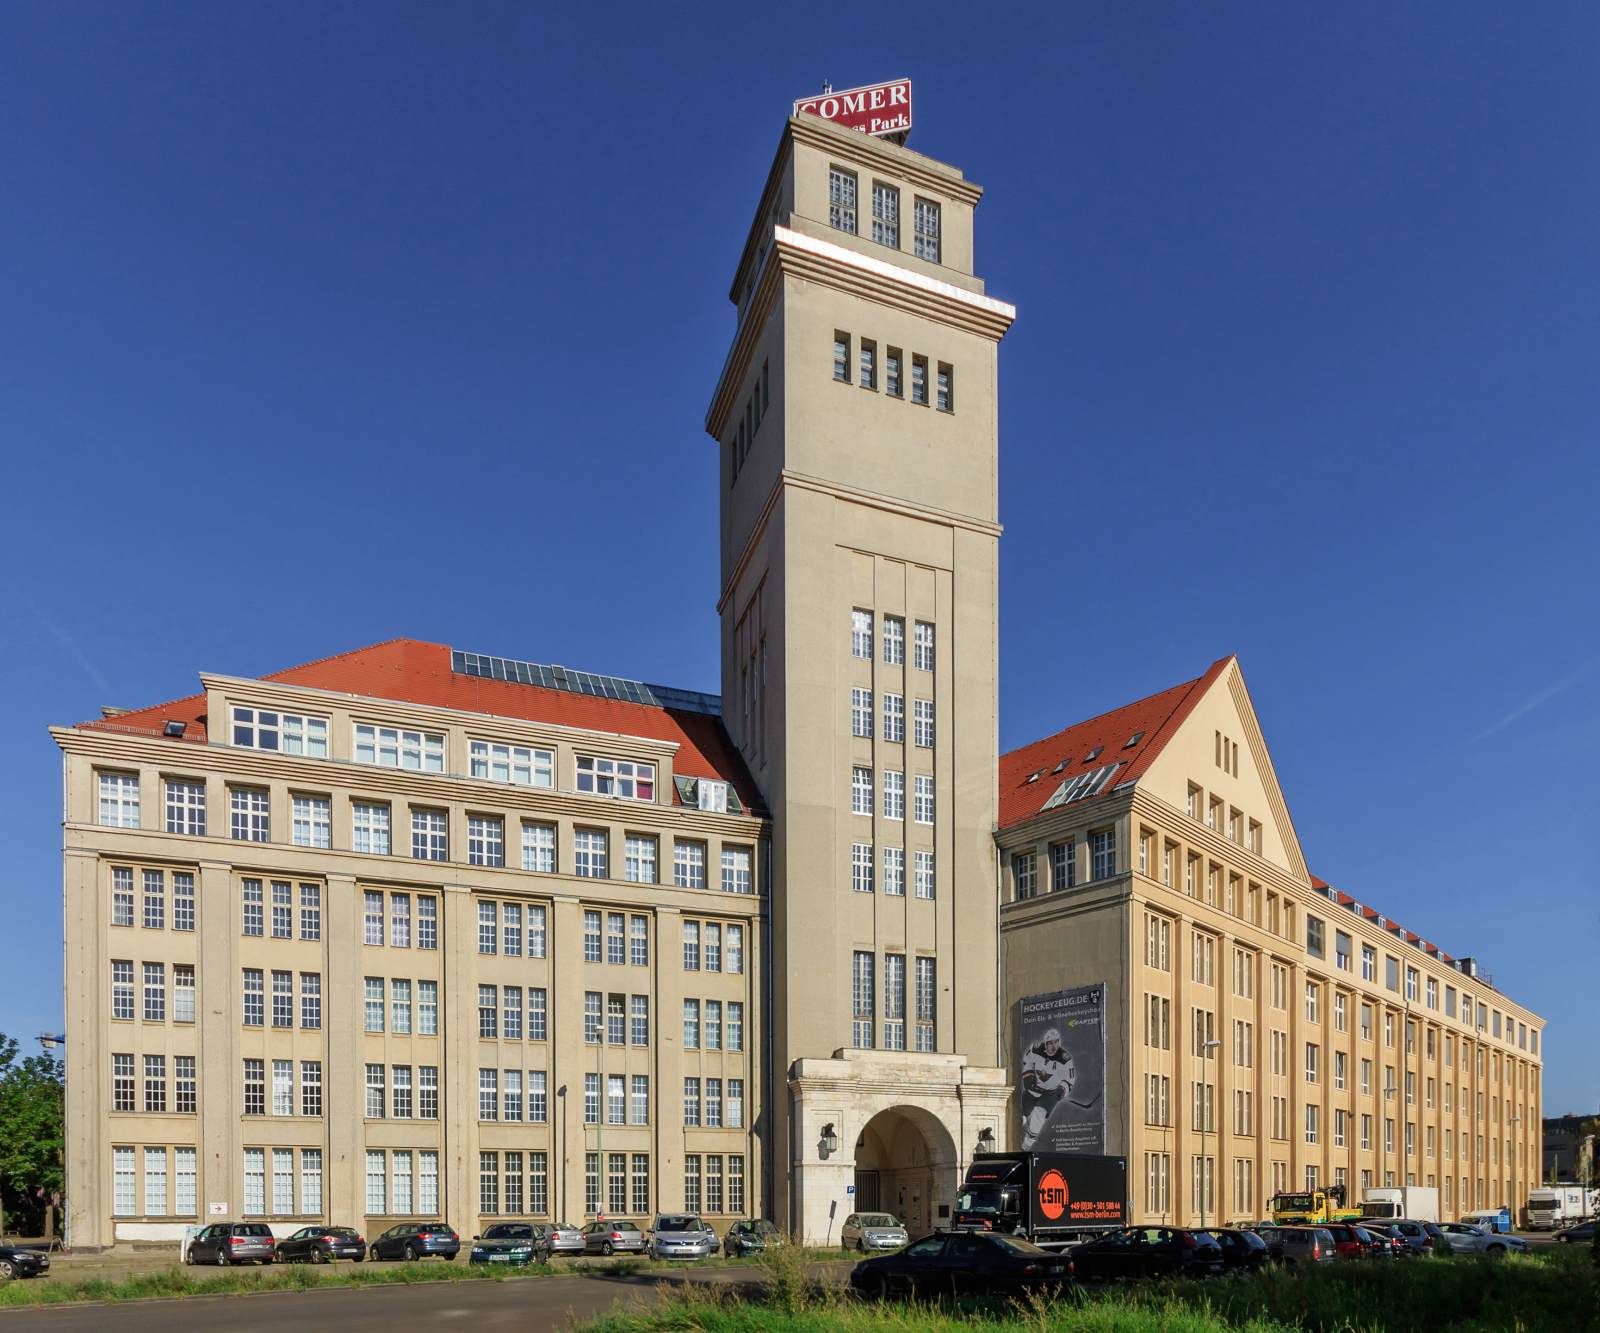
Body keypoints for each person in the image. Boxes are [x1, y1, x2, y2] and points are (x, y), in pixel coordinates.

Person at [1020, 1028, 1076, 1149]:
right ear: (1045, 1043)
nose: (1053, 1046)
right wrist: (1028, 1076)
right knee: (1024, 1115)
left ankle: (1027, 1145)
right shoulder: (1035, 1049)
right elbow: (1027, 1062)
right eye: (1050, 1043)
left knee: (1038, 1113)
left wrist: (1062, 1090)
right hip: (1035, 1088)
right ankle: (1026, 1125)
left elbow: (1069, 1080)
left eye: (1056, 1042)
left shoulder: (1065, 1058)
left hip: (1051, 1092)